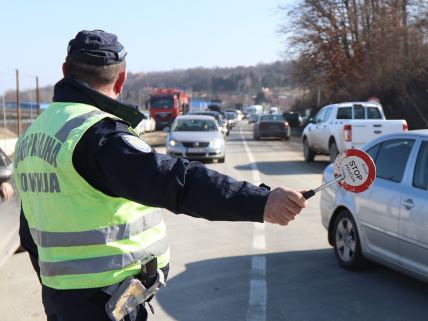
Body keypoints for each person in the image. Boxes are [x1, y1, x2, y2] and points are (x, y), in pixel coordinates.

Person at [15, 30, 307, 321]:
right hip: (103, 302)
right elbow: (178, 182)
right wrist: (260, 202)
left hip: (61, 299)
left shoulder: (33, 136)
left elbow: (30, 230)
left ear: (65, 71)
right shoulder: (97, 135)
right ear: (121, 79)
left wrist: (56, 291)